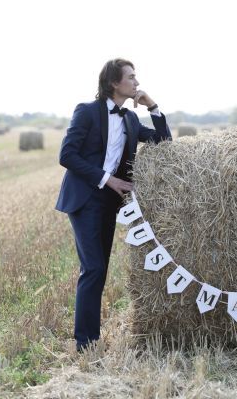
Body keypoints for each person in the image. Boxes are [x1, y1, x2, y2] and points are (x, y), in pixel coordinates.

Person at [55, 58, 172, 352]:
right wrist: (108, 179)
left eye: (136, 77)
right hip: (84, 198)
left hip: (108, 204)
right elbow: (67, 155)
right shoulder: (87, 112)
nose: (136, 82)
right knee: (93, 268)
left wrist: (153, 107)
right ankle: (85, 344)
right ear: (113, 83)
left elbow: (163, 141)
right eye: (131, 77)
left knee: (100, 269)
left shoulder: (130, 119)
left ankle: (88, 339)